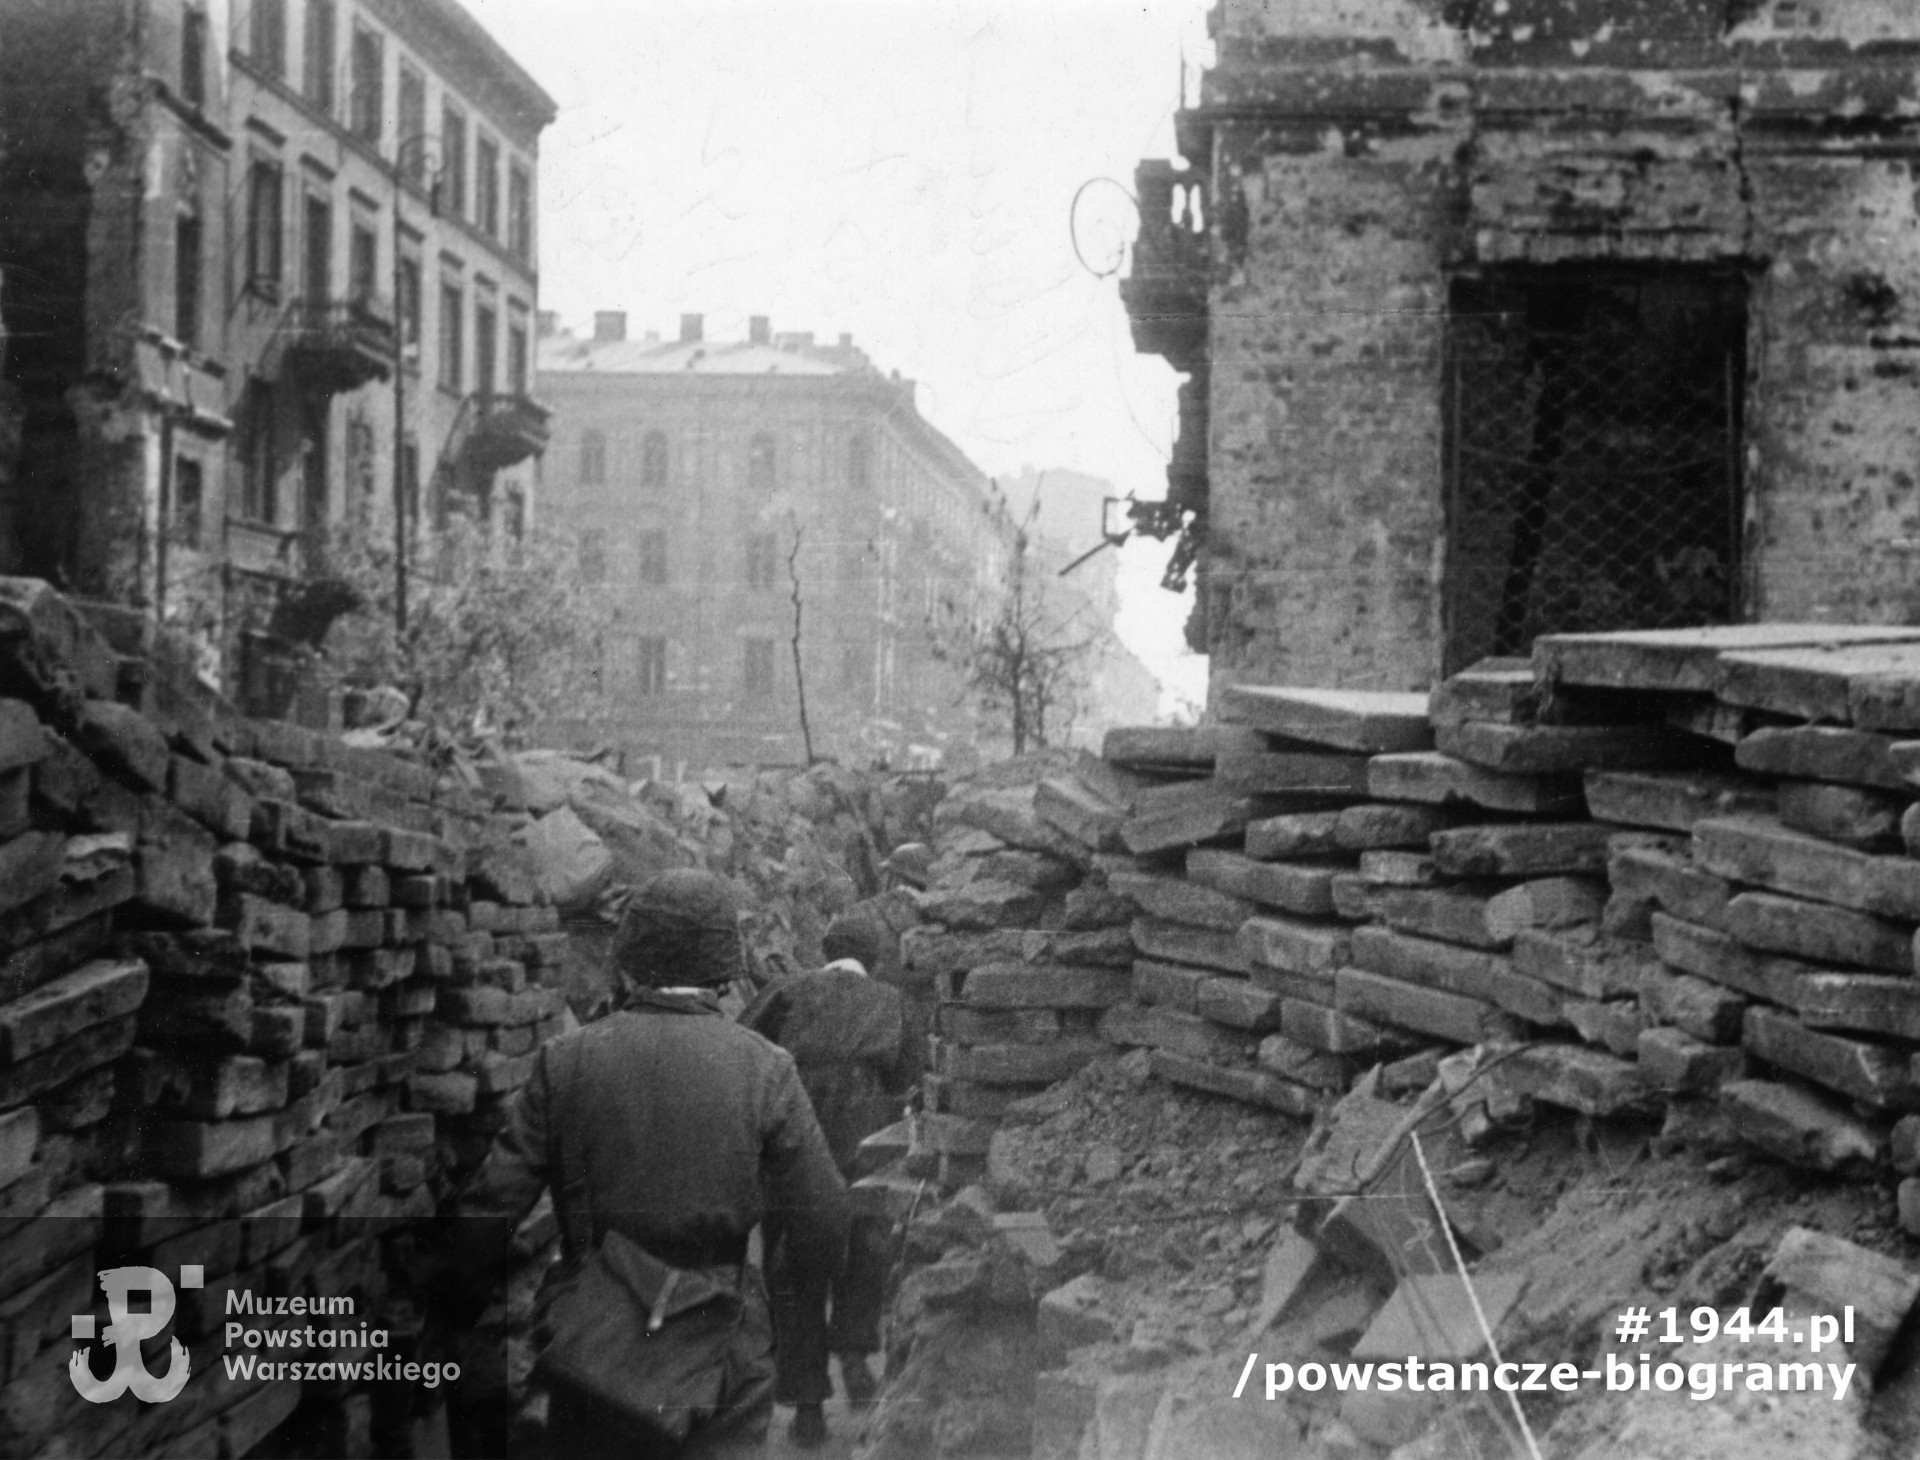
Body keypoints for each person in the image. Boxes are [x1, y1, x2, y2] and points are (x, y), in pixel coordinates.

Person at [451, 869, 850, 1459]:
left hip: (597, 1338)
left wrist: (452, 1314)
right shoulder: (766, 1067)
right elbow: (825, 1215)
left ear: (629, 961)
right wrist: (778, 1303)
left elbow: (488, 1213)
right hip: (722, 1339)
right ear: (724, 971)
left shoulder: (566, 1060)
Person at [739, 911, 921, 1448]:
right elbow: (910, 1080)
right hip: (864, 1149)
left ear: (824, 952)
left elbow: (742, 1051)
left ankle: (807, 1406)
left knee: (793, 1268)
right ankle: (856, 1354)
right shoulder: (893, 1003)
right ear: (875, 960)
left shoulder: (783, 993)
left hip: (792, 1153)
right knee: (866, 1248)